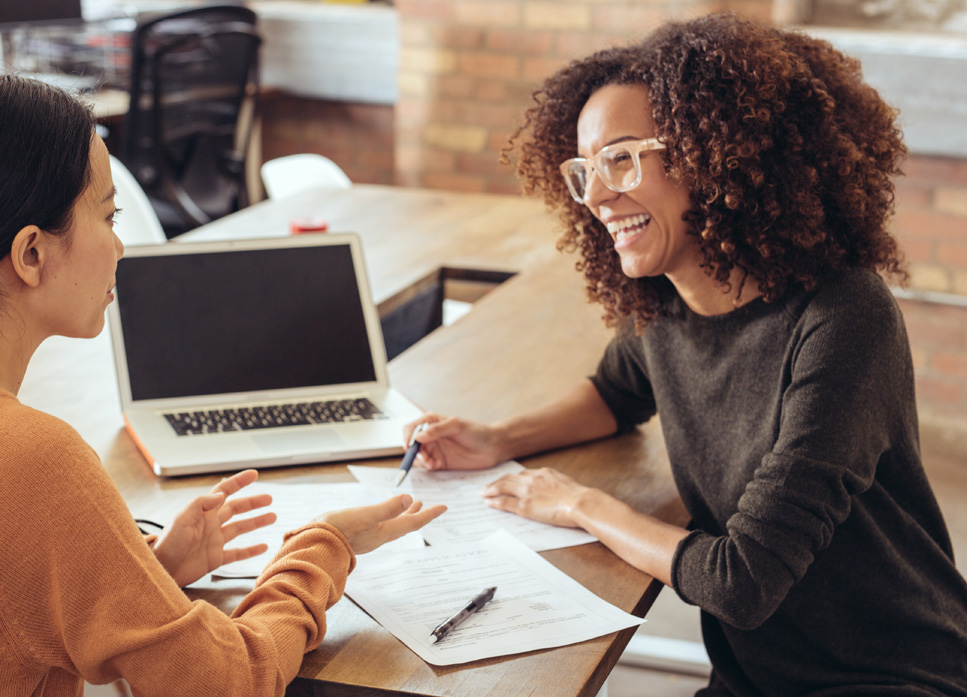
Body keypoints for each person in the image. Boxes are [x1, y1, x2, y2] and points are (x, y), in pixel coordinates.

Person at [0, 72, 445, 696]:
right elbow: (233, 681)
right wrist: (322, 546)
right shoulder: (21, 455)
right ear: (30, 252)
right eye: (108, 217)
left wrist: (147, 568)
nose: (120, 244)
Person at [406, 14, 967, 697]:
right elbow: (615, 393)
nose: (597, 197)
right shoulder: (667, 306)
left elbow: (738, 582)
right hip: (753, 679)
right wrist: (496, 437)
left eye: (621, 158)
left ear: (715, 154)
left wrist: (579, 504)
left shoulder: (843, 318)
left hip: (889, 676)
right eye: (585, 169)